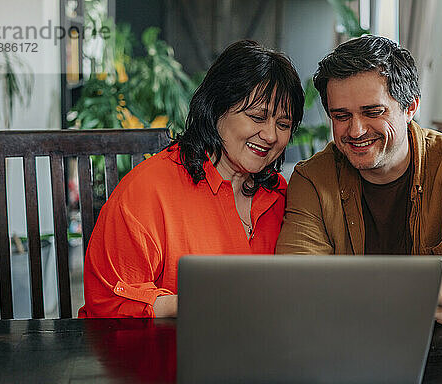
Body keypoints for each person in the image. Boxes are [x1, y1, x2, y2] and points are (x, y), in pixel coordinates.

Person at [275, 35, 442, 330]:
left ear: (410, 107)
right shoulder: (312, 179)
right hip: (347, 338)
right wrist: (434, 309)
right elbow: (298, 286)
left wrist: (353, 286)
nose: (356, 130)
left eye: (372, 112)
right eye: (341, 116)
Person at [79, 40, 304, 318]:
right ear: (217, 106)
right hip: (162, 354)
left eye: (283, 125)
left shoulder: (280, 193)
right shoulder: (147, 191)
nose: (271, 136)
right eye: (257, 117)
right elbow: (108, 304)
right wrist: (202, 303)